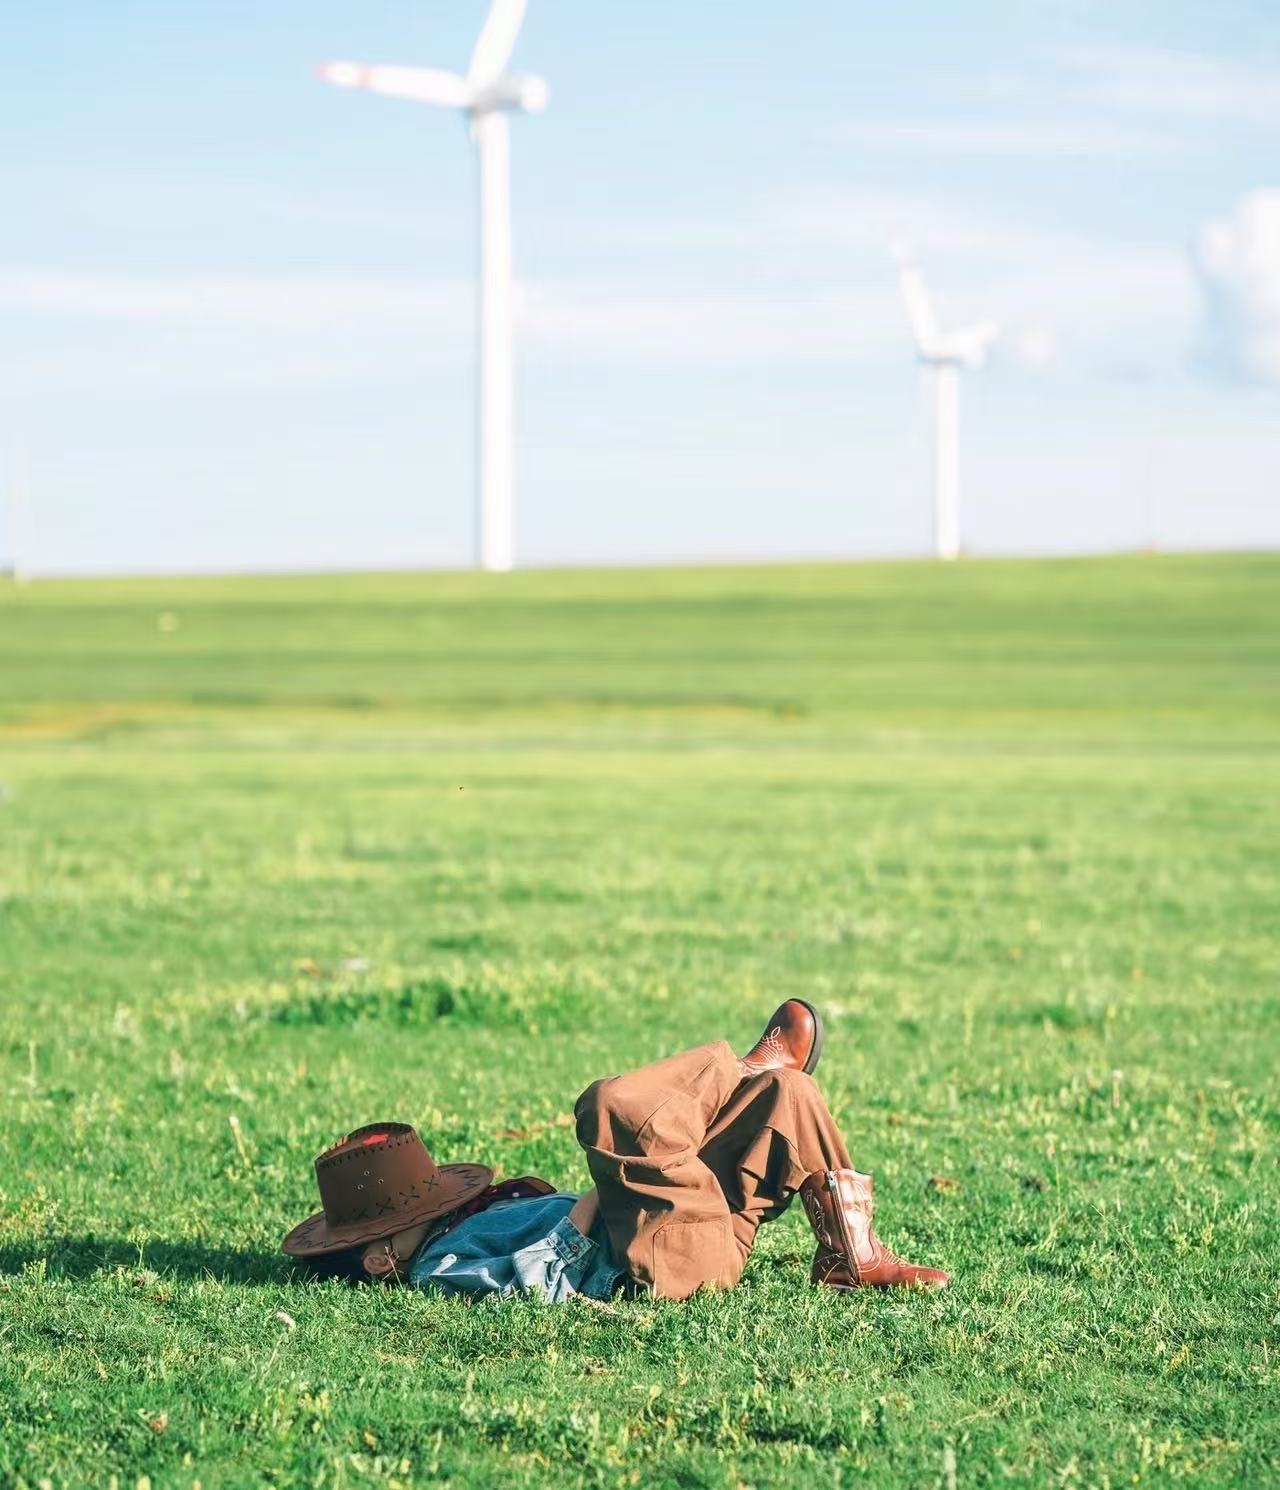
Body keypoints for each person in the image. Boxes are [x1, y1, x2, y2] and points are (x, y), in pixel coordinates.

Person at [281, 1001, 949, 1299]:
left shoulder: (465, 1227)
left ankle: (850, 1255)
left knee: (790, 1096)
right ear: (378, 1257)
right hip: (652, 1265)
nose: (431, 1203)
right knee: (611, 1110)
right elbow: (538, 1285)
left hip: (686, 1228)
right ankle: (739, 1072)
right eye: (404, 1212)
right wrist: (602, 1198)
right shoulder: (437, 1269)